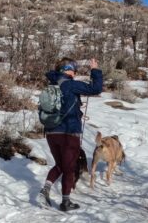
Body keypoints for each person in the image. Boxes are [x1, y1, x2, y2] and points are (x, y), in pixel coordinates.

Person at [41, 57, 102, 211]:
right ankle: (65, 202)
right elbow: (96, 89)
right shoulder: (70, 84)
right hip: (69, 132)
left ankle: (46, 189)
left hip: (51, 132)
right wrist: (94, 70)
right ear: (67, 69)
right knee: (69, 167)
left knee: (60, 165)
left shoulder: (51, 84)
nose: (74, 72)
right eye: (73, 69)